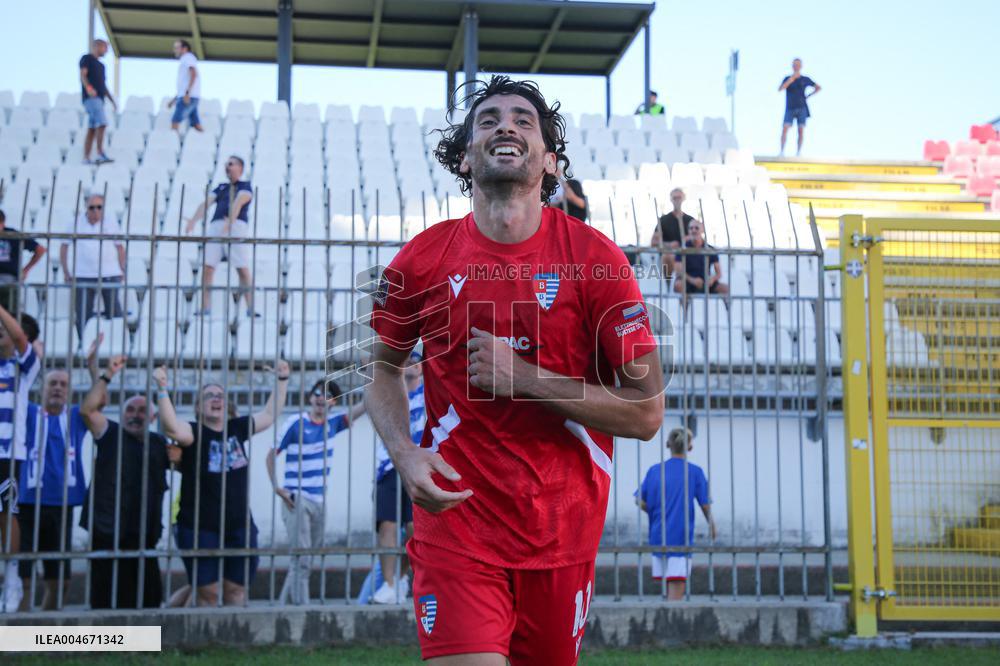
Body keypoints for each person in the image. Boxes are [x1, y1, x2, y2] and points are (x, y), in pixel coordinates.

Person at [367, 75, 664, 664]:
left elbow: (647, 412)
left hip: (562, 536)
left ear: (550, 163)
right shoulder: (421, 260)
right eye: (488, 120)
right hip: (455, 526)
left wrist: (525, 378)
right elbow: (380, 373)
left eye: (524, 120)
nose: (505, 125)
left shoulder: (598, 261)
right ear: (465, 156)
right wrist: (403, 452)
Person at [153, 360, 289, 606]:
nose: (216, 399)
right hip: (199, 527)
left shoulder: (237, 428)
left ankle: (232, 642)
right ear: (198, 406)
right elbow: (171, 427)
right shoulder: (193, 432)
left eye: (220, 395)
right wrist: (162, 388)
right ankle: (204, 642)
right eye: (209, 396)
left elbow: (269, 415)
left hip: (239, 526)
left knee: (235, 591)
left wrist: (282, 380)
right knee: (208, 592)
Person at [78, 348, 170, 609]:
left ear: (152, 418)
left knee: (147, 593)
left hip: (144, 529)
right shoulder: (111, 433)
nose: (135, 415)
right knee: (105, 591)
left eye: (142, 411)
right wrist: (107, 375)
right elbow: (87, 411)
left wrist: (163, 388)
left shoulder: (158, 442)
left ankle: (145, 643)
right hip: (107, 527)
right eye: (130, 410)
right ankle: (107, 642)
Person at [267, 377, 367, 605]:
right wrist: (277, 488)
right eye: (317, 393)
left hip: (319, 501)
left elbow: (365, 406)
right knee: (301, 558)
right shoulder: (296, 422)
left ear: (333, 402)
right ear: (310, 397)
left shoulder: (333, 424)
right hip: (296, 498)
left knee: (304, 558)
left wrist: (375, 373)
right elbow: (271, 455)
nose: (321, 398)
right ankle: (303, 611)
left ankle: (283, 609)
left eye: (328, 395)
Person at [16, 367, 89, 611]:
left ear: (69, 392)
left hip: (62, 505)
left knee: (60, 579)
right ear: (42, 388)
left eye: (63, 384)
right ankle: (20, 631)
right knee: (23, 576)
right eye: (53, 383)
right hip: (26, 504)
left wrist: (96, 368)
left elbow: (99, 400)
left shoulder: (77, 417)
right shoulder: (28, 412)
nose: (58, 387)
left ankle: (45, 630)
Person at [637, 428, 716, 600]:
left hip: (658, 535)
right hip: (681, 537)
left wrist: (654, 511)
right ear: (690, 447)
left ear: (667, 445)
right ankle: (670, 624)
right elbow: (705, 504)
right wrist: (712, 526)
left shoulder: (655, 471)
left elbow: (639, 500)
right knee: (676, 593)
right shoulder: (695, 472)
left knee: (666, 588)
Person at [371, 351, 424, 605]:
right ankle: (389, 584)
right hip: (390, 465)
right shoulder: (391, 393)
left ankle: (402, 577)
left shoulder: (428, 395)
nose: (410, 365)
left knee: (415, 528)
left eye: (415, 361)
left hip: (419, 466)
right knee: (387, 526)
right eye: (406, 361)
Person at [0, 306, 40, 612]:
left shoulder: (25, 367)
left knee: (6, 513)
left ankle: (11, 576)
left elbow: (17, 334)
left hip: (8, 453)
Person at [184, 156, 256, 318]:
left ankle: (250, 307)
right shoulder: (221, 187)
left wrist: (229, 222)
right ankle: (205, 307)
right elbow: (206, 203)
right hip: (217, 225)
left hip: (235, 226)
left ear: (240, 167)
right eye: (226, 164)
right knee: (208, 267)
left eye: (231, 164)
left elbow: (239, 203)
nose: (227, 167)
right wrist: (193, 220)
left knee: (242, 268)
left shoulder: (245, 186)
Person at [60, 194, 126, 342]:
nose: (95, 211)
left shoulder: (111, 222)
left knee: (114, 311)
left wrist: (122, 269)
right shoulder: (75, 223)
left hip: (109, 273)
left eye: (99, 207)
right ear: (86, 208)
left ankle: (116, 343)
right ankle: (83, 343)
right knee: (83, 313)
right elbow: (64, 247)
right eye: (92, 207)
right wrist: (66, 271)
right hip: (83, 274)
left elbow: (120, 247)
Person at [0, 209, 46, 314]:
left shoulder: (12, 235)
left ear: (3, 223)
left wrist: (26, 270)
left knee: (12, 314)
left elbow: (40, 249)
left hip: (9, 280)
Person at [79, 39, 117, 165]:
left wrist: (112, 101)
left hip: (100, 99)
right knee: (102, 123)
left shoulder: (101, 66)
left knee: (92, 128)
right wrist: (89, 88)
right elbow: (83, 75)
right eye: (105, 47)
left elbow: (103, 86)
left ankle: (86, 157)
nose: (106, 51)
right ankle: (100, 153)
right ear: (97, 46)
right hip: (91, 99)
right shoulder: (87, 59)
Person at [673, 220, 729, 299]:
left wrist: (712, 279)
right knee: (678, 285)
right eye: (691, 228)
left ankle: (726, 311)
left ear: (702, 230)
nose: (693, 230)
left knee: (725, 289)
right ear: (688, 231)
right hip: (687, 281)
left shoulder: (709, 249)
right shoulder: (682, 248)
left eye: (696, 228)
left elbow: (719, 273)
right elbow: (678, 272)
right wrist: (692, 280)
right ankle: (685, 311)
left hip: (706, 282)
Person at [779, 58, 821, 157]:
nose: (796, 66)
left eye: (798, 64)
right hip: (790, 107)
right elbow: (780, 88)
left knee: (801, 130)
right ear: (792, 66)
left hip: (802, 107)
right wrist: (792, 79)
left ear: (801, 66)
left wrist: (809, 95)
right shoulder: (787, 78)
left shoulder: (805, 79)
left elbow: (818, 87)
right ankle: (781, 152)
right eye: (794, 64)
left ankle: (798, 152)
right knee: (785, 128)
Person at [651, 188, 696, 279]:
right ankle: (670, 287)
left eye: (679, 197)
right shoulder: (664, 220)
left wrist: (689, 239)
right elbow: (653, 242)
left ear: (683, 198)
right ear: (671, 199)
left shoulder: (690, 220)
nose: (677, 200)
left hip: (687, 256)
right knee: (668, 256)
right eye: (675, 198)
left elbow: (698, 239)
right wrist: (669, 244)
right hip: (669, 256)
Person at [167, 39, 203, 133]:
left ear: (184, 48)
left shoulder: (188, 57)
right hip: (187, 96)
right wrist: (174, 100)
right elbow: (183, 85)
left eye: (177, 48)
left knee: (175, 121)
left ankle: (172, 144)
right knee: (196, 124)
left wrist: (187, 93)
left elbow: (193, 74)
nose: (175, 50)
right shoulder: (185, 59)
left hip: (188, 97)